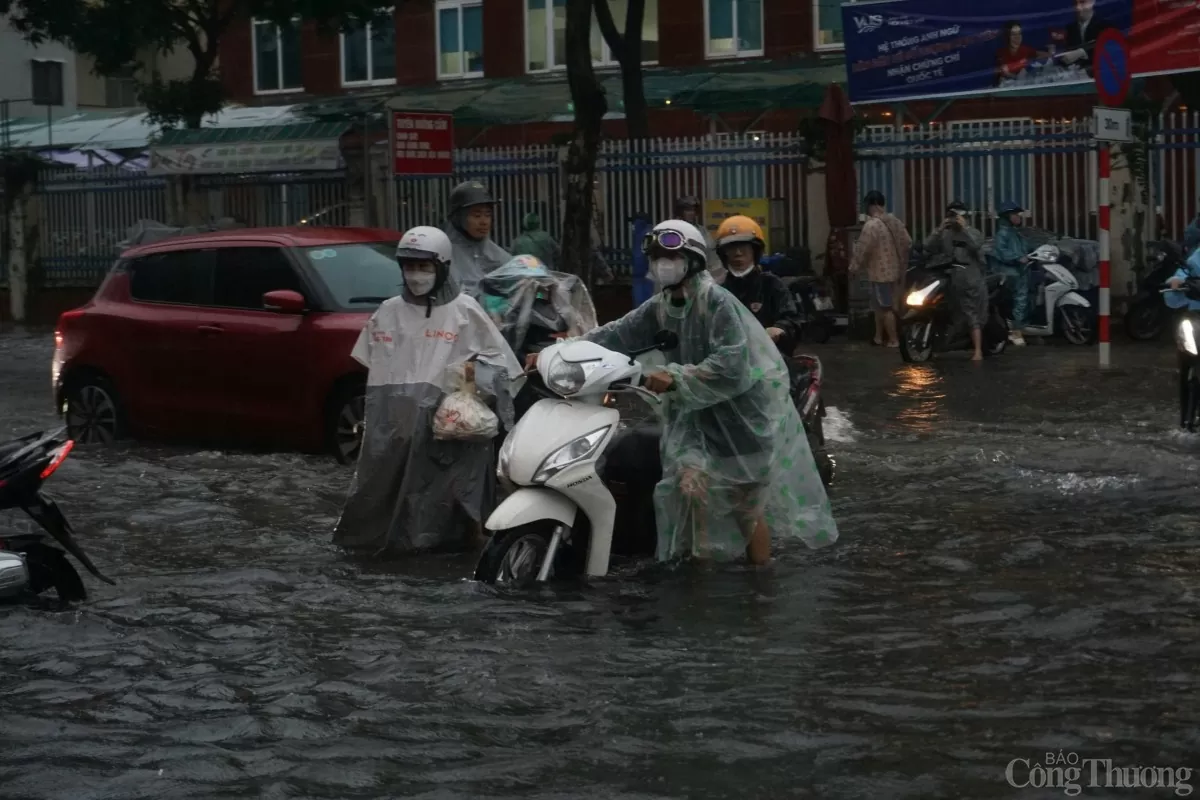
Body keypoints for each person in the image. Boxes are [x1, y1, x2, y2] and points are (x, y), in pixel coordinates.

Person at [528, 219, 837, 566]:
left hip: (740, 418)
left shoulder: (718, 302)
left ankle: (760, 586)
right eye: (657, 256)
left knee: (744, 507)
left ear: (691, 260)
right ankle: (698, 582)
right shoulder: (660, 305)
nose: (663, 264)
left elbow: (732, 362)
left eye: (670, 256)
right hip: (692, 415)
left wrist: (676, 376)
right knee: (689, 493)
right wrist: (559, 351)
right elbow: (616, 334)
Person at [333, 226, 522, 556]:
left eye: (425, 267)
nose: (416, 276)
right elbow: (370, 363)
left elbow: (502, 367)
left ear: (443, 267)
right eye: (409, 267)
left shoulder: (465, 311)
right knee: (386, 484)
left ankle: (463, 539)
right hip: (395, 425)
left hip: (450, 424)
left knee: (456, 486)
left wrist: (470, 380)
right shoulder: (388, 312)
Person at [713, 214, 803, 357]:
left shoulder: (771, 284)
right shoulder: (718, 289)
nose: (738, 254)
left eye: (743, 248)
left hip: (770, 361)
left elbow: (794, 319)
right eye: (731, 248)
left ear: (755, 252)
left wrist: (779, 329)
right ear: (723, 254)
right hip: (729, 361)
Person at [924, 201, 989, 361]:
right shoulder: (945, 233)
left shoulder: (973, 232)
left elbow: (976, 245)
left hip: (970, 279)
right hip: (950, 278)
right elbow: (928, 246)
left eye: (957, 215)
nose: (954, 218)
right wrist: (939, 229)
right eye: (951, 215)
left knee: (971, 313)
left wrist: (964, 228)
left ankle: (978, 351)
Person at [849, 190, 912, 347]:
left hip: (880, 273)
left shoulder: (871, 226)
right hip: (896, 272)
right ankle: (878, 337)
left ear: (871, 205)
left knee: (885, 307)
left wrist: (853, 268)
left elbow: (862, 249)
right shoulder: (895, 221)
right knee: (879, 306)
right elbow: (908, 242)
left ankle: (893, 339)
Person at [445, 180, 511, 295]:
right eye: (477, 215)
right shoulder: (445, 255)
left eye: (488, 215)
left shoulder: (495, 252)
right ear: (458, 217)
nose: (484, 222)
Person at [989, 201, 1032, 346]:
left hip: (1019, 271)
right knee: (1016, 302)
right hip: (1010, 273)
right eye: (1015, 214)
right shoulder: (1003, 234)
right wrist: (1018, 258)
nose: (1019, 217)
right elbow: (1002, 252)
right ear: (1007, 216)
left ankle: (1019, 329)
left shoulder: (1015, 233)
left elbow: (1025, 248)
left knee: (1022, 301)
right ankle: (1015, 332)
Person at [674, 195, 725, 282]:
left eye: (693, 210)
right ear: (680, 211)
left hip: (702, 277)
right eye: (687, 210)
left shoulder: (702, 231)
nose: (691, 213)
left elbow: (711, 253)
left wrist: (715, 278)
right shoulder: (672, 229)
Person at [1060, 0, 1116, 77]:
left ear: (1092, 2)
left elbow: (1109, 52)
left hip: (1102, 78)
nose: (1078, 8)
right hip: (1076, 79)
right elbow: (1069, 51)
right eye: (1075, 4)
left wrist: (1082, 52)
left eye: (1082, 2)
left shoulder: (1105, 26)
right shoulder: (1071, 29)